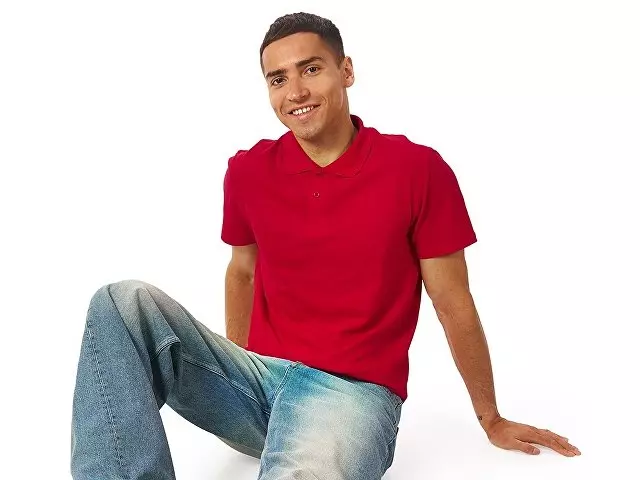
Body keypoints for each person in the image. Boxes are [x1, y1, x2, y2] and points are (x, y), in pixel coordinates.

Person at [70, 11, 581, 480]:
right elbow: (242, 271)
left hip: (351, 397)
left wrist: (490, 418)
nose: (295, 91)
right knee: (120, 302)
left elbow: (452, 301)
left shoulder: (418, 170)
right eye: (278, 79)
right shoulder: (248, 171)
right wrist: (236, 369)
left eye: (310, 69)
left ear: (346, 71)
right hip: (258, 384)